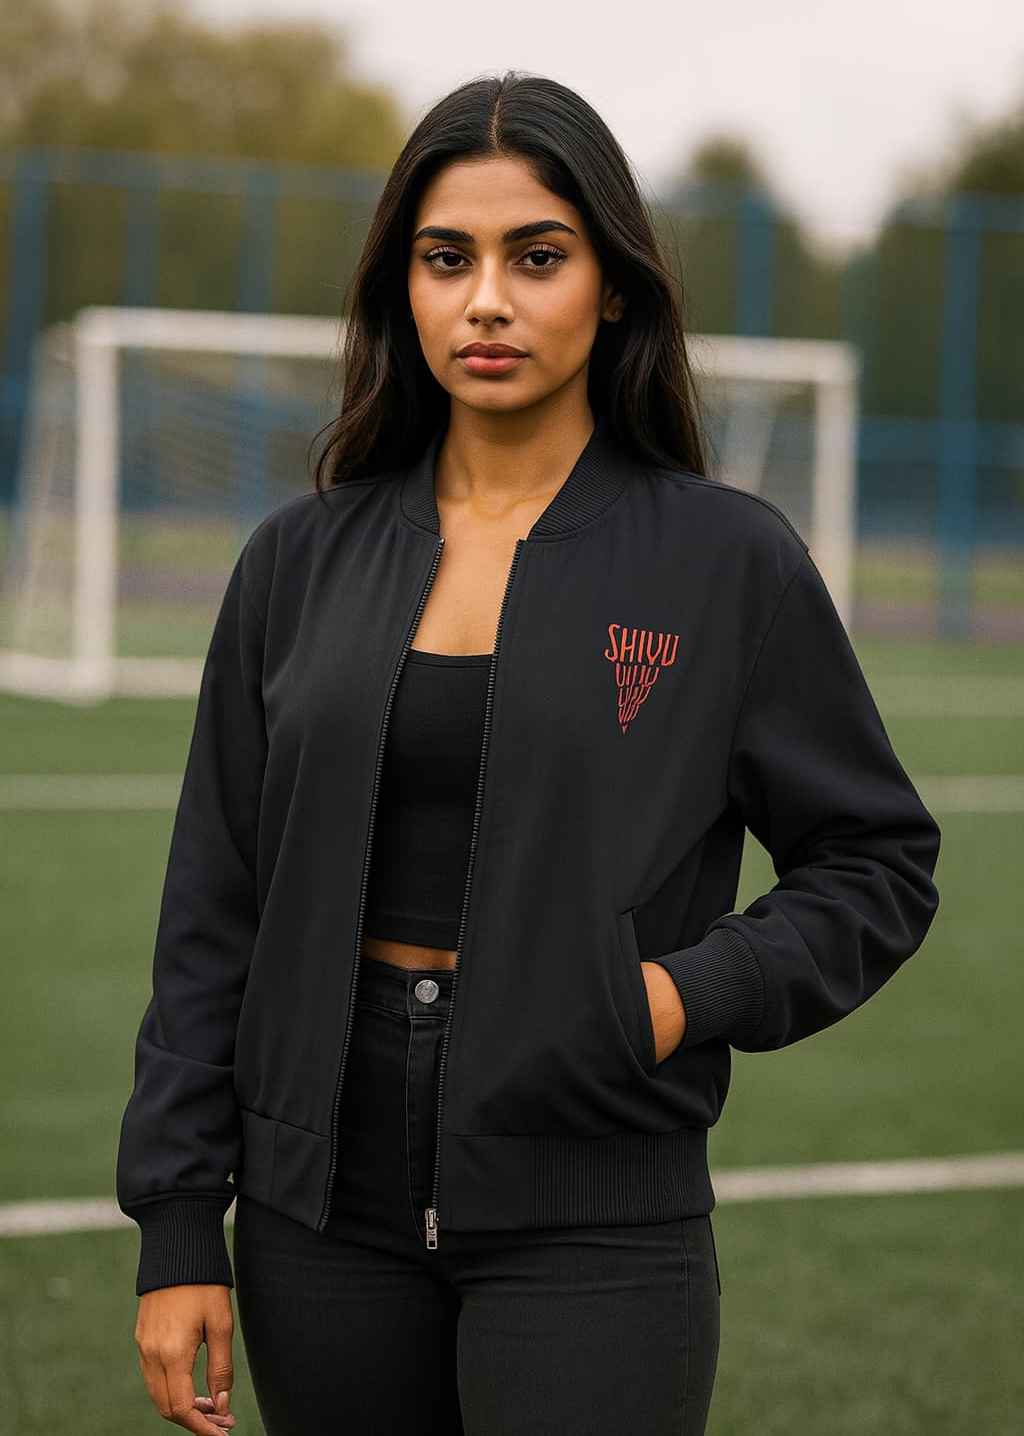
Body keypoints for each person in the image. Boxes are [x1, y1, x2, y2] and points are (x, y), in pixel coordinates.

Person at [116, 70, 941, 1436]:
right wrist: (175, 1225)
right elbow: (214, 908)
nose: (486, 299)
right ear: (405, 288)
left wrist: (676, 997)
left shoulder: (723, 563)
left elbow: (877, 862)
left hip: (596, 1208)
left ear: (611, 288)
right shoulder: (297, 562)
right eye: (448, 260)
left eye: (536, 257)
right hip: (315, 1216)